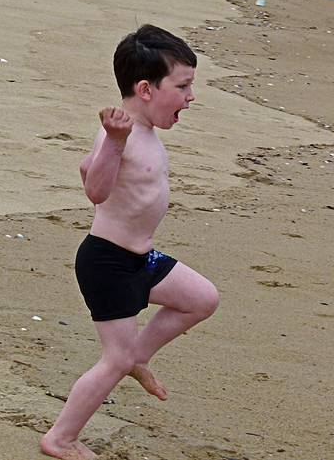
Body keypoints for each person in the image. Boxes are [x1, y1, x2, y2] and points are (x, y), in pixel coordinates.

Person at [40, 24, 220, 460]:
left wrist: (107, 152)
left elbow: (85, 168)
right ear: (145, 89)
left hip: (141, 258)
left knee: (201, 298)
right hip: (108, 263)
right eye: (183, 86)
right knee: (113, 361)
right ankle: (60, 439)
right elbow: (96, 190)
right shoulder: (119, 135)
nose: (191, 97)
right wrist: (114, 143)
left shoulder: (144, 133)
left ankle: (136, 356)